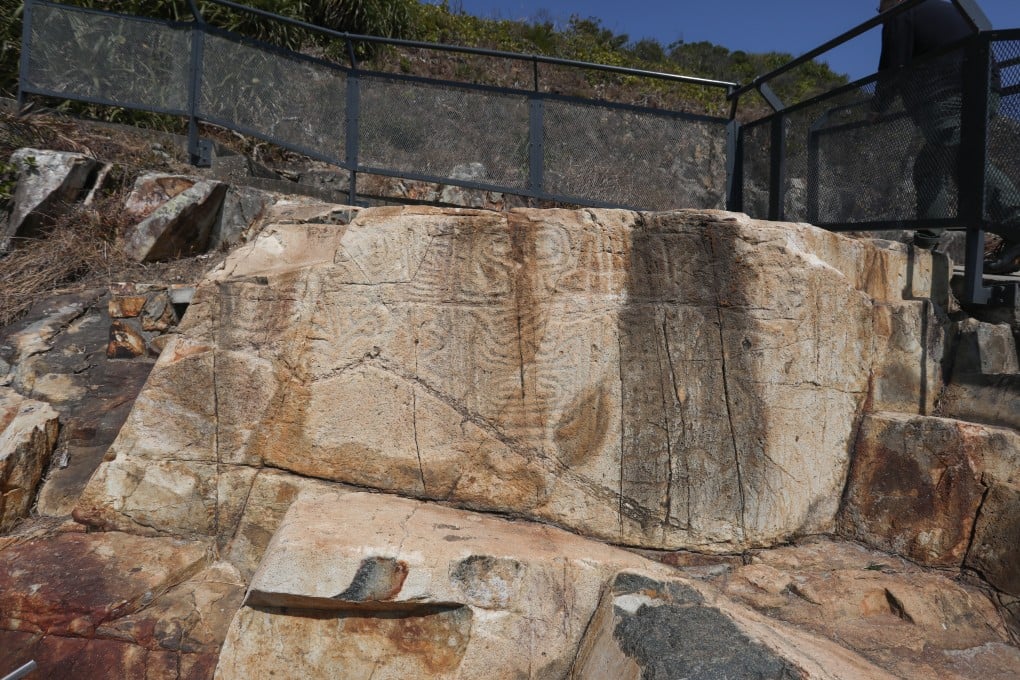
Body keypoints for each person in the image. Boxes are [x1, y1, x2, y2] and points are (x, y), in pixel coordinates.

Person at [875, 0, 1020, 273]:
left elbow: (893, 67)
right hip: (980, 87)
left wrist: (877, 108)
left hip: (949, 93)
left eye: (880, 6)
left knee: (953, 166)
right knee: (951, 163)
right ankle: (931, 238)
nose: (878, 12)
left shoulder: (903, 13)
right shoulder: (939, 8)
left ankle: (1014, 223)